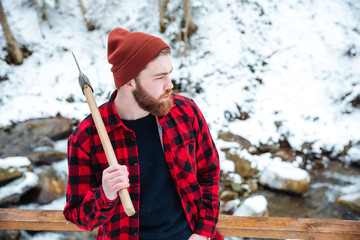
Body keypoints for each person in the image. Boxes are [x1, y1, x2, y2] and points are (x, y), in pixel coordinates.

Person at [63, 27, 223, 240]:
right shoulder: (86, 138)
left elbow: (209, 173)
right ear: (129, 82)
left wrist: (203, 233)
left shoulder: (185, 112)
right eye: (160, 77)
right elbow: (79, 217)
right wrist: (106, 194)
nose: (170, 85)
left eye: (169, 74)